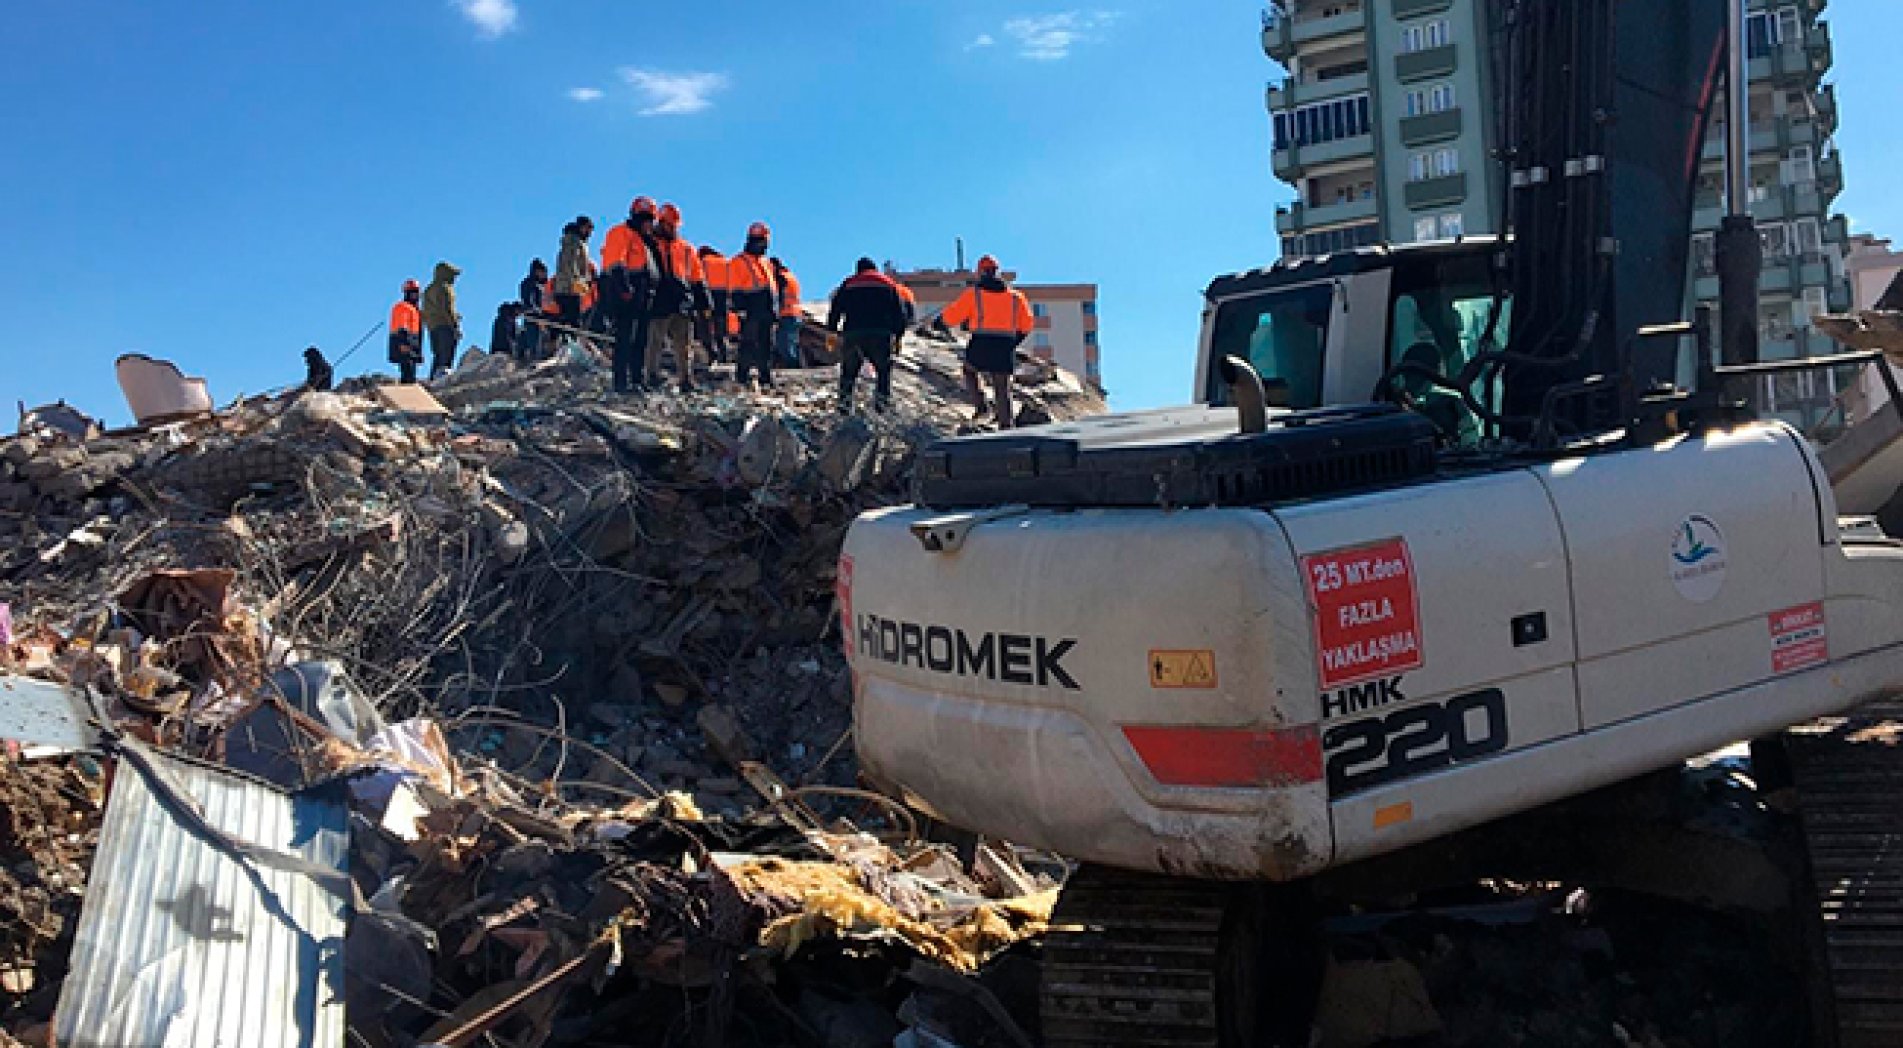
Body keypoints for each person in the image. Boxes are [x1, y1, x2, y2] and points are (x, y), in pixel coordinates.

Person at [937, 255, 1034, 429]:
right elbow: (1027, 324)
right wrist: (1015, 341)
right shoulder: (1016, 297)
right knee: (1002, 386)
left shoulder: (974, 294)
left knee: (970, 370)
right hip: (1005, 344)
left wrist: (939, 322)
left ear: (980, 272)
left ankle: (981, 406)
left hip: (981, 342)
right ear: (997, 272)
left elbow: (953, 314)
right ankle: (1006, 424)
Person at [828, 258, 909, 413]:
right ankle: (881, 408)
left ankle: (844, 409)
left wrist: (832, 331)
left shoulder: (849, 283)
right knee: (883, 372)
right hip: (880, 335)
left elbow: (836, 308)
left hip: (854, 334)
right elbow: (900, 313)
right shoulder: (888, 284)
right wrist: (898, 336)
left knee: (848, 374)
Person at [600, 197, 660, 392]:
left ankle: (636, 379)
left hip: (643, 296)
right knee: (625, 339)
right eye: (645, 219)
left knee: (640, 340)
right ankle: (621, 382)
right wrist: (625, 289)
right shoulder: (620, 233)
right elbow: (615, 263)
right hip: (627, 296)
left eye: (650, 219)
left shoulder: (644, 242)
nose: (648, 224)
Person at [651, 203, 708, 391]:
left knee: (684, 343)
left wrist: (704, 302)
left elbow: (697, 277)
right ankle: (651, 374)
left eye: (675, 226)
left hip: (682, 300)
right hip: (659, 298)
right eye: (670, 225)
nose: (673, 229)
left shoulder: (686, 248)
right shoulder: (650, 243)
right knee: (655, 340)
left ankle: (686, 378)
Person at [729, 223, 779, 388]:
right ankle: (742, 376)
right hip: (751, 309)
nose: (764, 245)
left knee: (766, 344)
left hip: (766, 309)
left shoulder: (765, 263)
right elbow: (735, 288)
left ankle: (765, 376)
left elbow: (770, 287)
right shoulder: (739, 261)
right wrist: (741, 308)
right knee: (748, 344)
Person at [421, 262, 463, 381]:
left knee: (438, 355)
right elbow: (447, 309)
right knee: (447, 355)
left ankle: (433, 380)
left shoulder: (428, 290)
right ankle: (443, 381)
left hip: (432, 327)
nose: (454, 278)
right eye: (453, 275)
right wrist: (455, 326)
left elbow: (427, 310)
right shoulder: (445, 288)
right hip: (445, 325)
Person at [554, 217, 594, 331]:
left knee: (571, 318)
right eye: (588, 229)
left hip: (569, 287)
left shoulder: (577, 242)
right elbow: (570, 263)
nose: (590, 233)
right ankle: (568, 341)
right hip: (569, 288)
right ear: (582, 227)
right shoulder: (573, 242)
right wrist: (577, 282)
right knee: (573, 319)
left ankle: (566, 339)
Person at [698, 245, 731, 363]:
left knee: (705, 326)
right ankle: (724, 355)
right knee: (720, 328)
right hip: (723, 297)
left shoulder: (702, 262)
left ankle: (712, 353)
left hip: (708, 295)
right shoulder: (725, 262)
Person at [388, 278, 424, 384]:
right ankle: (406, 395)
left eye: (416, 292)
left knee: (410, 373)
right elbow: (401, 327)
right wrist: (403, 343)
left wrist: (417, 352)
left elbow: (416, 333)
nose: (415, 296)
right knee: (407, 373)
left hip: (411, 345)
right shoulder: (403, 307)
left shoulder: (415, 310)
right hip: (404, 344)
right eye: (412, 292)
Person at [772, 258, 803, 369]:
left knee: (785, 344)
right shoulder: (789, 276)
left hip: (787, 313)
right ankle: (794, 365)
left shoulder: (780, 278)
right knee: (790, 342)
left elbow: (779, 297)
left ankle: (792, 366)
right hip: (795, 313)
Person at [518, 259, 548, 360]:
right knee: (534, 341)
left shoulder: (541, 286)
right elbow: (529, 302)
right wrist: (539, 314)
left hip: (538, 317)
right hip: (533, 318)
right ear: (537, 271)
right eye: (543, 272)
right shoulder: (530, 284)